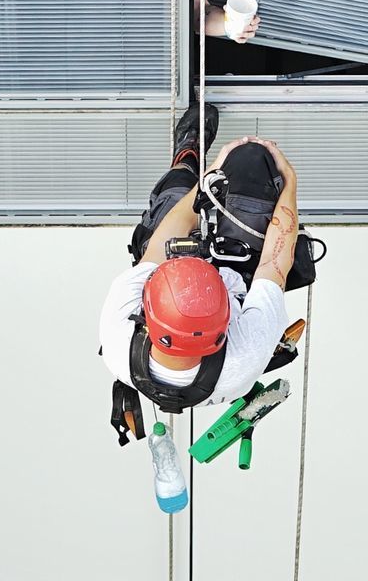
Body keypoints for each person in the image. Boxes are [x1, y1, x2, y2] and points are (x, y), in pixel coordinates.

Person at [98, 102, 300, 419]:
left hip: (174, 267)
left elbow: (161, 244)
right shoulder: (244, 352)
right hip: (238, 271)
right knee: (252, 161)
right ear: (226, 326)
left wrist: (205, 181)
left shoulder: (118, 330)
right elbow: (274, 266)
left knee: (176, 190)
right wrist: (289, 183)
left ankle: (187, 155)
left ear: (147, 317)